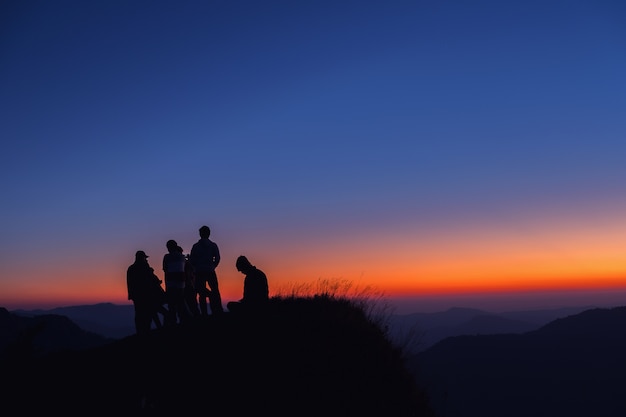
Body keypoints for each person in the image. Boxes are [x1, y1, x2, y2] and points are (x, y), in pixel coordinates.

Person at [127, 250, 167, 334]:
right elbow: (151, 280)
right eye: (145, 258)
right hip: (148, 296)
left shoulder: (131, 269)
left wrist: (131, 294)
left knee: (139, 315)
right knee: (151, 314)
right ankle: (158, 330)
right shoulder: (145, 267)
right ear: (143, 258)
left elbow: (130, 283)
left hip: (136, 296)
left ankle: (141, 332)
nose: (146, 259)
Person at [189, 225, 224, 315]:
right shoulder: (213, 245)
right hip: (210, 271)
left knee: (201, 293)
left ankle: (204, 313)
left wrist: (196, 267)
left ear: (200, 234)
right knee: (215, 290)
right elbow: (217, 258)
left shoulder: (196, 246)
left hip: (199, 271)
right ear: (209, 234)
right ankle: (218, 310)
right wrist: (213, 266)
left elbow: (192, 259)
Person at [162, 240, 191, 325]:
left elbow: (165, 269)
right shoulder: (182, 257)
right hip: (181, 283)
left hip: (170, 282)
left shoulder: (167, 257)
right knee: (181, 302)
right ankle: (184, 319)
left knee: (171, 304)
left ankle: (172, 322)